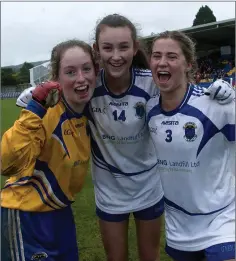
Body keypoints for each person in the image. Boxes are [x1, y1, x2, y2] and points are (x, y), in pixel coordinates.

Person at [15, 14, 235, 261]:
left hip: (149, 188)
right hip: (110, 191)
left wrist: (216, 90)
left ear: (135, 49)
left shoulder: (151, 83)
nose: (116, 56)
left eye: (123, 47)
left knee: (148, 257)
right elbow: (66, 89)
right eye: (107, 48)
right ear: (97, 51)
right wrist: (36, 93)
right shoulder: (89, 85)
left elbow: (180, 89)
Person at [1, 39, 97, 261]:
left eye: (86, 69)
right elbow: (7, 163)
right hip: (27, 214)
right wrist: (35, 108)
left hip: (61, 212)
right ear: (57, 79)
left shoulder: (87, 112)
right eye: (70, 72)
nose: (81, 78)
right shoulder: (48, 113)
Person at [147, 30, 235, 261]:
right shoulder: (148, 110)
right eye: (156, 56)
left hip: (222, 219)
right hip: (179, 225)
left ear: (189, 64)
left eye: (172, 56)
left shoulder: (216, 104)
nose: (162, 62)